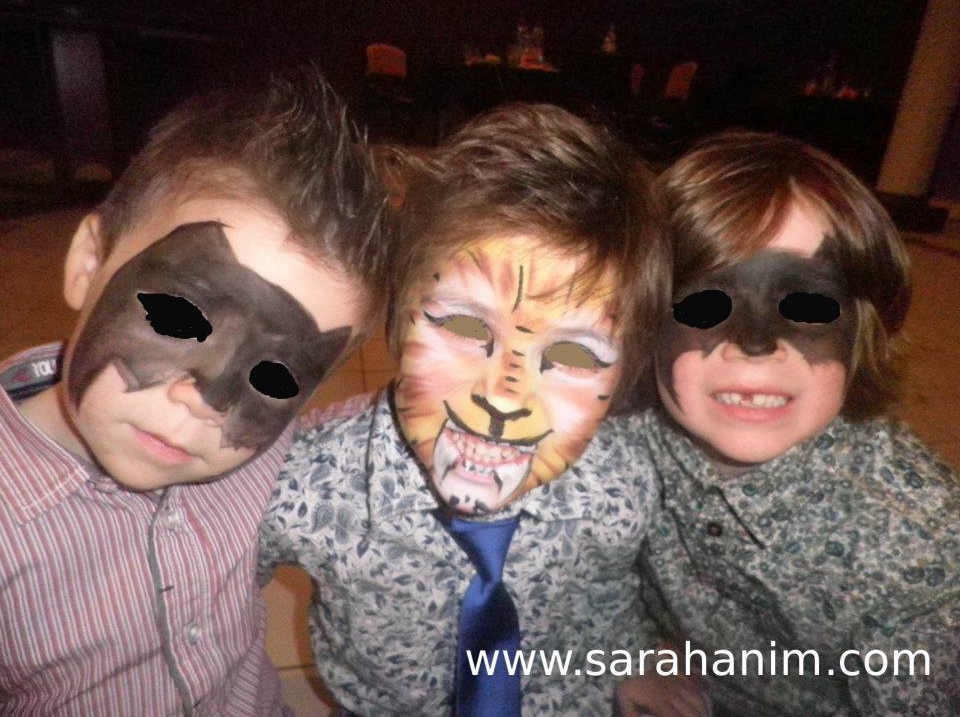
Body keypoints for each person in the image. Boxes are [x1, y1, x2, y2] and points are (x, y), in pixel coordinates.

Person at [258, 103, 709, 717]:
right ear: (396, 319)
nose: (503, 396)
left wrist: (629, 656)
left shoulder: (622, 481)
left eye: (573, 353)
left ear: (624, 377)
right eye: (468, 326)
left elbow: (610, 586)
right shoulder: (304, 486)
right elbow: (205, 592)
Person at [0, 68, 387, 716]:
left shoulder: (267, 450)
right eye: (177, 318)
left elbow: (374, 430)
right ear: (88, 264)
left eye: (274, 375)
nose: (205, 400)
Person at [617, 131, 960, 717]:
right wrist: (633, 650)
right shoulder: (622, 439)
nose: (755, 343)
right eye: (704, 304)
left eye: (806, 306)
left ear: (863, 334)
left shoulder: (918, 549)